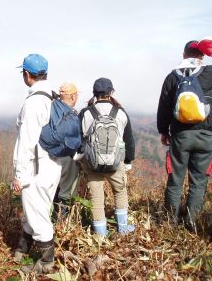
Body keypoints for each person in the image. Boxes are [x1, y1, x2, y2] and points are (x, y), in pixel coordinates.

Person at [157, 40, 212, 232]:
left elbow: (164, 107)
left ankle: (170, 222)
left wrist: (163, 130)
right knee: (199, 181)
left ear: (184, 54)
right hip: (206, 133)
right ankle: (191, 224)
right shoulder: (210, 73)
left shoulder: (172, 77)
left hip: (180, 134)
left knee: (175, 179)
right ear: (202, 56)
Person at [11, 54, 63, 274]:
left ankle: (45, 262)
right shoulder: (53, 97)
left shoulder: (33, 102)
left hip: (36, 167)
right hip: (54, 164)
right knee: (37, 209)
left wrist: (19, 174)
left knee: (38, 214)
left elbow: (26, 141)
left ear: (26, 74)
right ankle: (23, 246)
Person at [80, 78, 135, 237]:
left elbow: (79, 138)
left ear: (94, 93)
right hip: (115, 162)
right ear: (111, 92)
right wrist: (129, 160)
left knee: (96, 198)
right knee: (120, 191)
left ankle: (101, 234)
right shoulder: (120, 112)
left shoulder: (86, 113)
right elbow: (128, 139)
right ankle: (123, 228)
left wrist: (80, 158)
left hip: (92, 163)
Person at [52, 83, 80, 220]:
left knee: (54, 188)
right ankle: (62, 223)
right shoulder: (71, 113)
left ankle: (51, 218)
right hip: (67, 155)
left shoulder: (52, 108)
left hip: (50, 154)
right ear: (73, 96)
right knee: (66, 191)